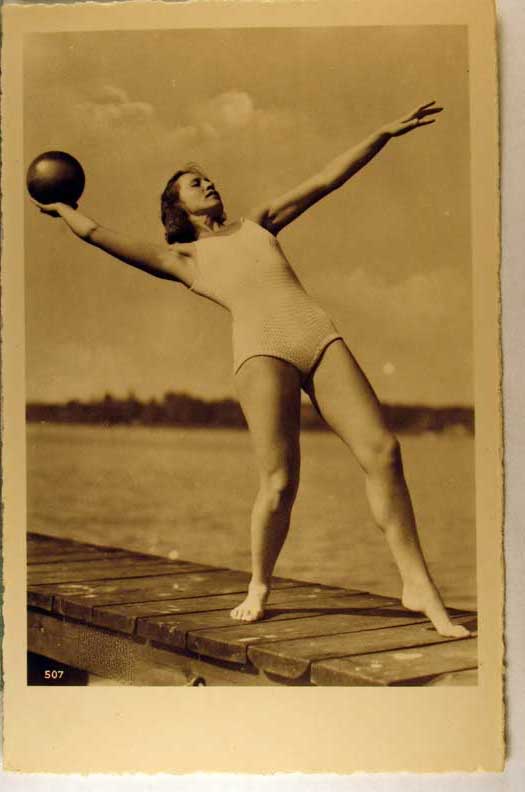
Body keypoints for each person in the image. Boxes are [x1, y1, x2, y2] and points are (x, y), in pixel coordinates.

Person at [33, 100, 469, 637]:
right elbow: (98, 233)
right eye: (194, 183)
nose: (208, 183)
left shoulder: (259, 224)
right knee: (281, 481)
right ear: (176, 206)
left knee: (384, 451)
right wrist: (62, 208)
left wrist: (382, 132)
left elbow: (326, 179)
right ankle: (260, 584)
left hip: (318, 334)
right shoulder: (183, 258)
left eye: (207, 178)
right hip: (262, 353)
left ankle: (416, 583)